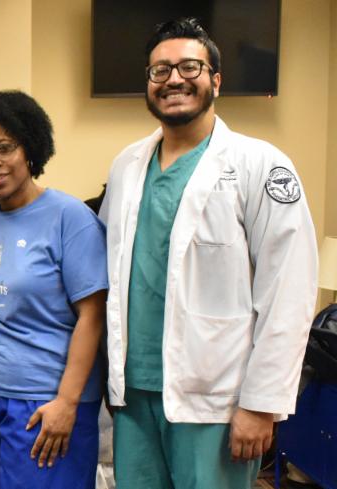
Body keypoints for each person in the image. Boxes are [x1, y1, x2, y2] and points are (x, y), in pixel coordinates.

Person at [98, 18, 318, 489]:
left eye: (189, 67)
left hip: (216, 399)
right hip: (134, 394)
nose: (173, 79)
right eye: (160, 70)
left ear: (216, 80)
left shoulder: (260, 164)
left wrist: (261, 404)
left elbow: (289, 289)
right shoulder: (126, 166)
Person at [0, 90, 108, 489]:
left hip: (44, 401)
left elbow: (93, 316)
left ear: (29, 147)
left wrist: (67, 402)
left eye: (4, 147)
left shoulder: (71, 218)